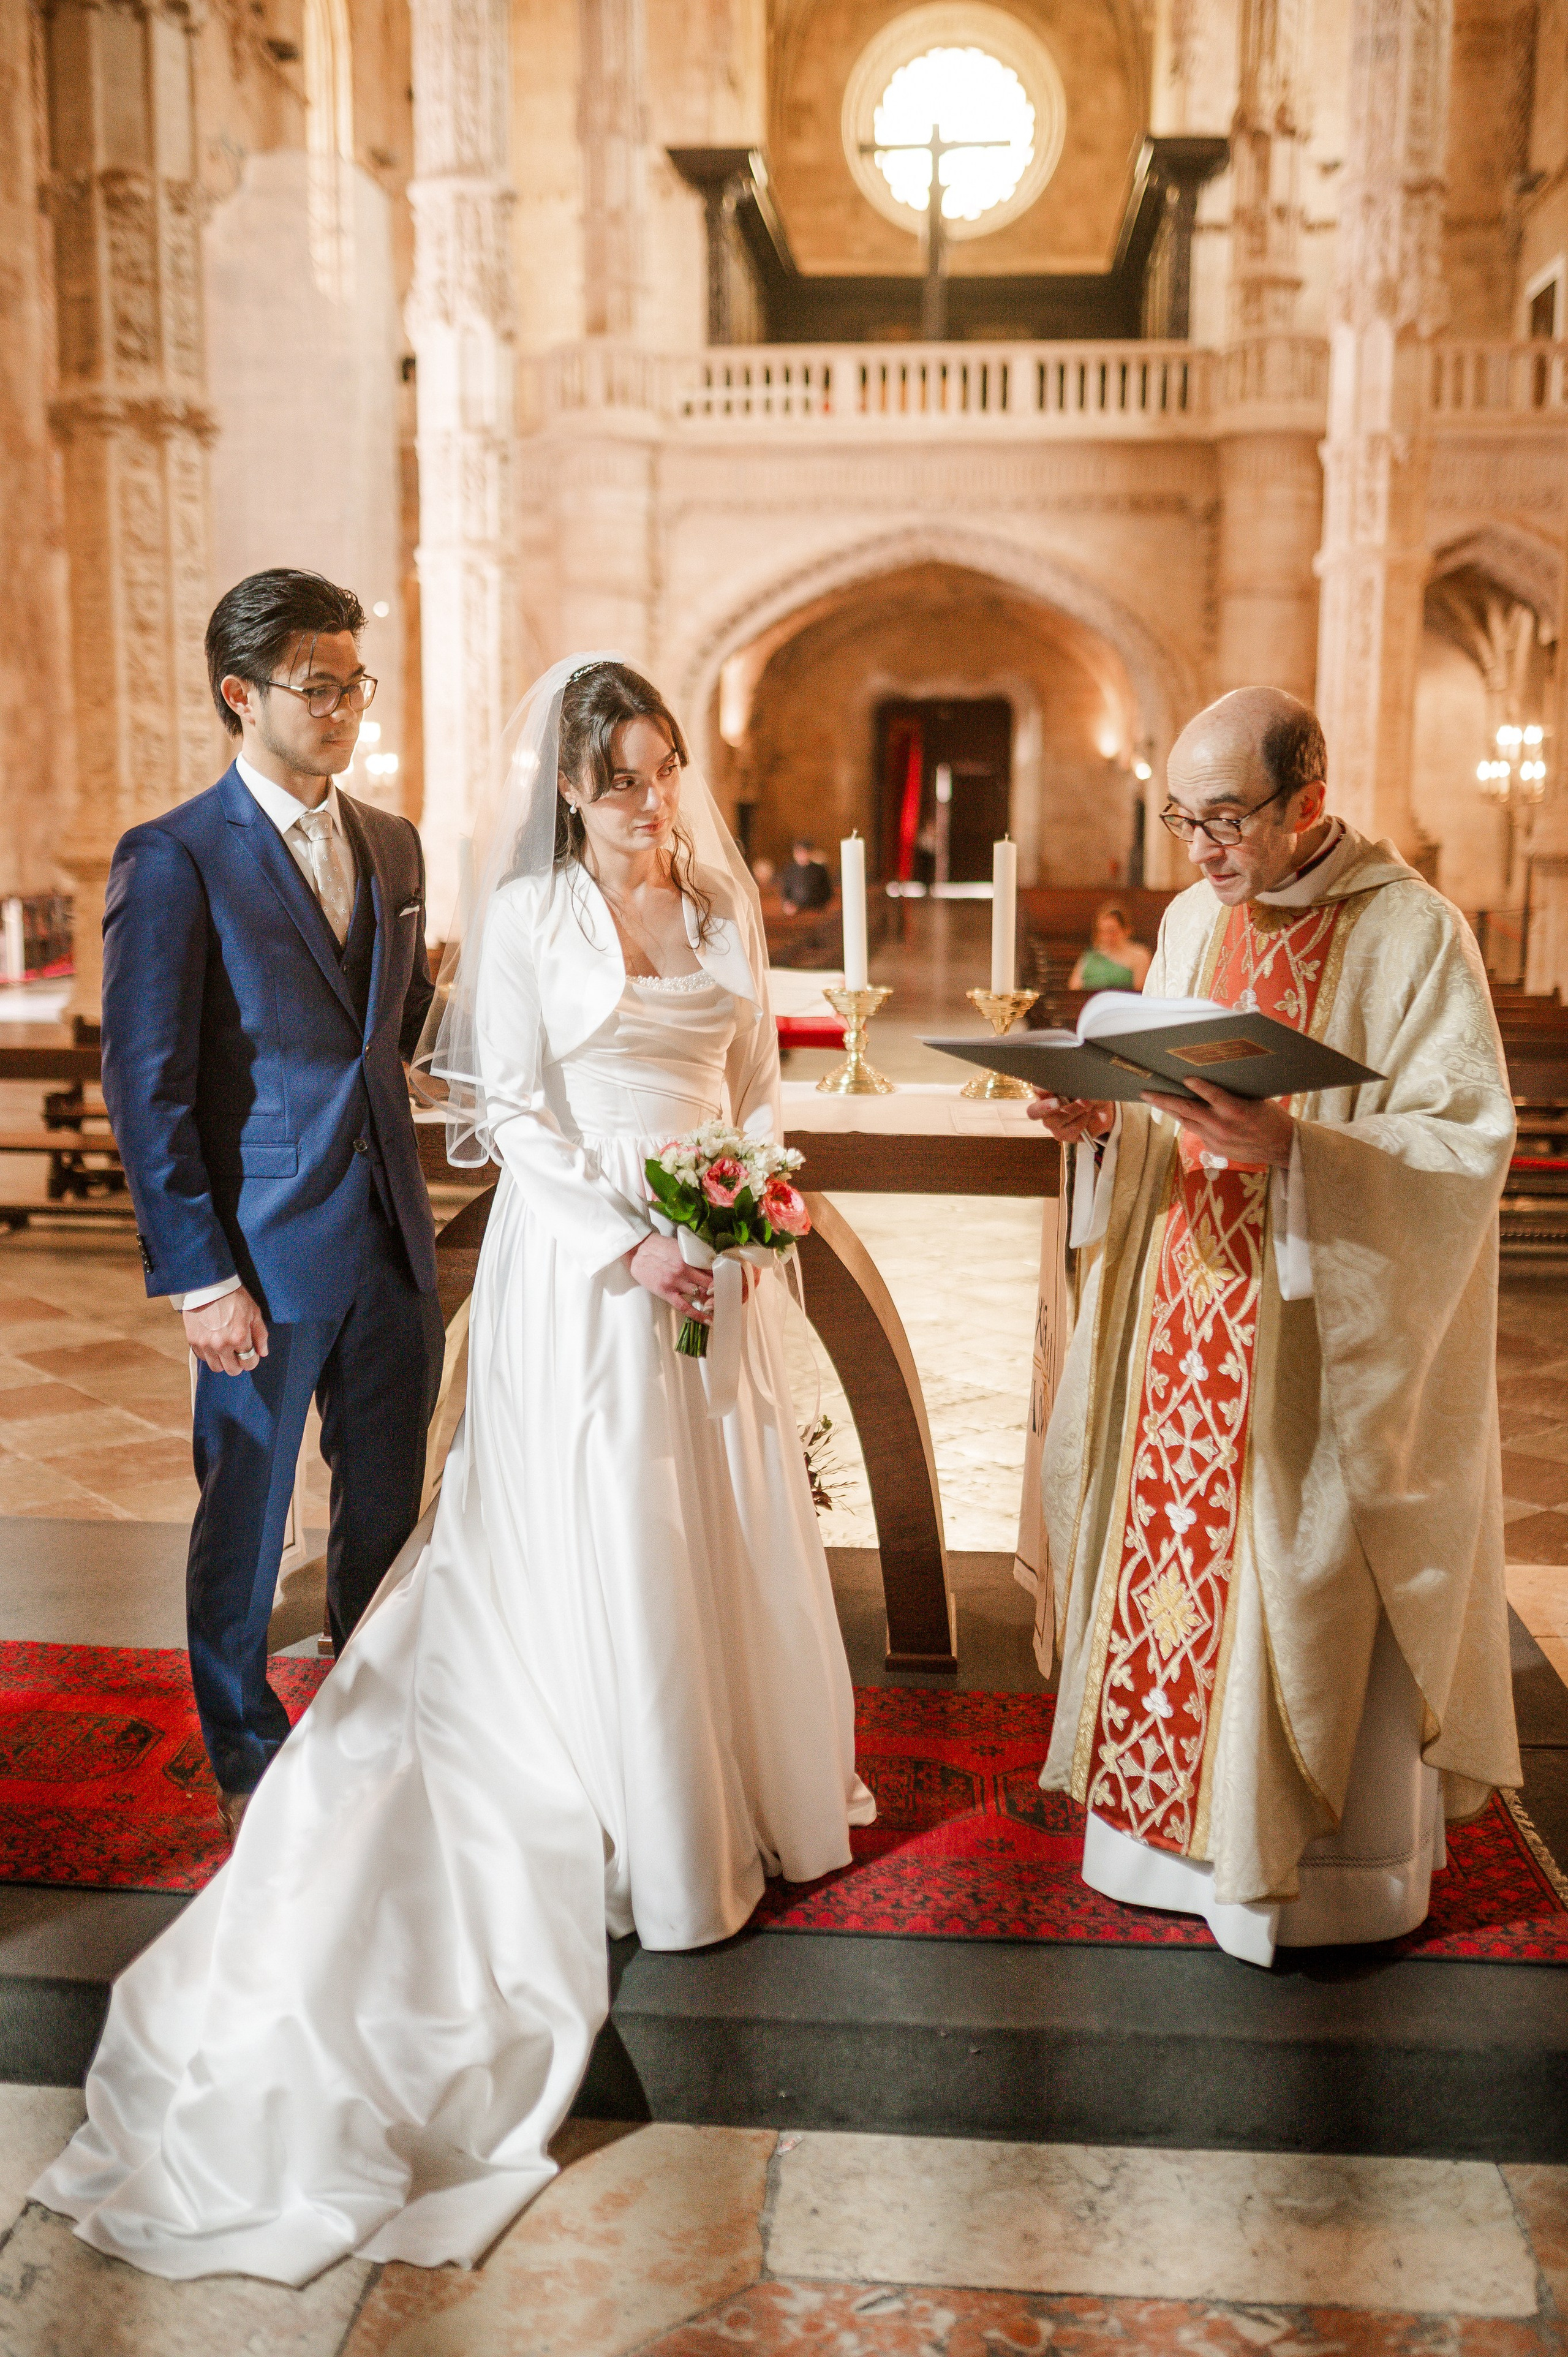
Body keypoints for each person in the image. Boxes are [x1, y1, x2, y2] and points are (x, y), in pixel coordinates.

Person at [34, 655, 872, 2282]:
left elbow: (756, 1088)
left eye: (659, 767)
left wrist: (746, 1209)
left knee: (726, 1521)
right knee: (608, 1527)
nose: (642, 798)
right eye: (614, 774)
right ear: (565, 786)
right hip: (589, 1280)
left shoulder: (719, 902)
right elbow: (510, 1115)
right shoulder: (539, 920)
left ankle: (741, 1785)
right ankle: (634, 1813)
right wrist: (638, 1247)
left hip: (715, 1278)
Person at [1026, 687, 1520, 1966]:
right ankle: (1156, 1851)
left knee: (1286, 1581)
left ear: (1306, 799)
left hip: (1307, 1344)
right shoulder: (1191, 919)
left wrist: (1298, 1149)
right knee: (1169, 1580)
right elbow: (1163, 1098)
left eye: (1225, 818)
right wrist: (1100, 1121)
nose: (1198, 849)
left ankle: (1310, 1879)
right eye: (1180, 818)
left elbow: (1462, 1146)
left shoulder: (1413, 932)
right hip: (1180, 1314)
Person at [98, 569, 444, 1841]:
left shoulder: (394, 847)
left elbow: (402, 1034)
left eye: (356, 681)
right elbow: (149, 1090)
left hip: (393, 1243)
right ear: (241, 695)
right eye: (319, 684)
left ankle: (367, 1712)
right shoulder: (177, 856)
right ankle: (243, 1740)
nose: (346, 706)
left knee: (385, 1507)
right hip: (257, 1252)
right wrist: (201, 1276)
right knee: (246, 1514)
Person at [1069, 901, 1151, 991]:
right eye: (1102, 932)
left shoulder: (1140, 956)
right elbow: (1074, 987)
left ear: (1126, 930)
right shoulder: (1091, 955)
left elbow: (1140, 992)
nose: (1106, 937)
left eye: (1111, 931)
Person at [778, 837, 834, 911]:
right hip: (795, 911)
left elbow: (827, 892)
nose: (801, 855)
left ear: (810, 852)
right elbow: (785, 891)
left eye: (804, 852)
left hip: (816, 910)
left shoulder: (820, 870)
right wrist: (788, 904)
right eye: (798, 852)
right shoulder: (789, 870)